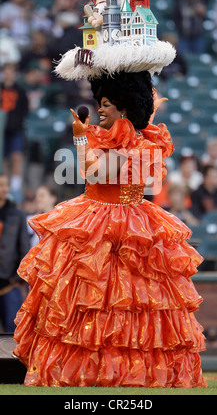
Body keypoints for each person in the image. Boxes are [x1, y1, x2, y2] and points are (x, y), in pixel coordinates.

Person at [13, 70, 207, 387]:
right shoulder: (115, 139)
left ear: (123, 108)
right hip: (94, 217)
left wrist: (78, 137)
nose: (99, 110)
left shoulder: (141, 146)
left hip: (125, 226)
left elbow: (97, 174)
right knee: (85, 300)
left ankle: (120, 374)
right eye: (99, 103)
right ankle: (89, 371)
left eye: (105, 104)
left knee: (127, 303)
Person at [0, 173, 30, 332]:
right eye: (1, 185)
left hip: (9, 281)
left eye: (6, 185)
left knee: (12, 330)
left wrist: (19, 276)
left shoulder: (16, 214)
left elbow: (24, 247)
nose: (4, 189)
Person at [0, 63, 29, 203]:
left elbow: (25, 108)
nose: (8, 74)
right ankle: (5, 187)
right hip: (1, 130)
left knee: (17, 157)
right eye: (6, 71)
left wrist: (19, 122)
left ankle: (15, 188)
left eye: (10, 71)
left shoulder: (20, 90)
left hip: (15, 128)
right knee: (3, 159)